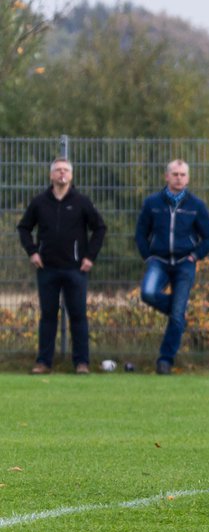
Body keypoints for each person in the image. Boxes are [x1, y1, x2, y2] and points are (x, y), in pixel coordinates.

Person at [16, 157, 106, 375]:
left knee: (78, 315)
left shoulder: (81, 201)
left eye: (66, 170)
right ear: (51, 175)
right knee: (48, 316)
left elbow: (100, 228)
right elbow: (24, 228)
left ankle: (81, 363)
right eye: (58, 170)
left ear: (72, 175)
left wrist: (89, 257)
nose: (62, 174)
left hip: (76, 269)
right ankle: (43, 362)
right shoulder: (39, 202)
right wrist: (33, 252)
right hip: (47, 269)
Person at [135, 159, 209, 374]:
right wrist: (148, 256)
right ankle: (179, 315)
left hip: (184, 264)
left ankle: (165, 360)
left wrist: (195, 255)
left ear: (188, 178)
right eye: (175, 174)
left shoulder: (196, 206)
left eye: (182, 175)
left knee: (176, 316)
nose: (179, 178)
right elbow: (140, 234)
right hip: (159, 262)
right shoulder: (152, 203)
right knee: (148, 293)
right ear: (166, 177)